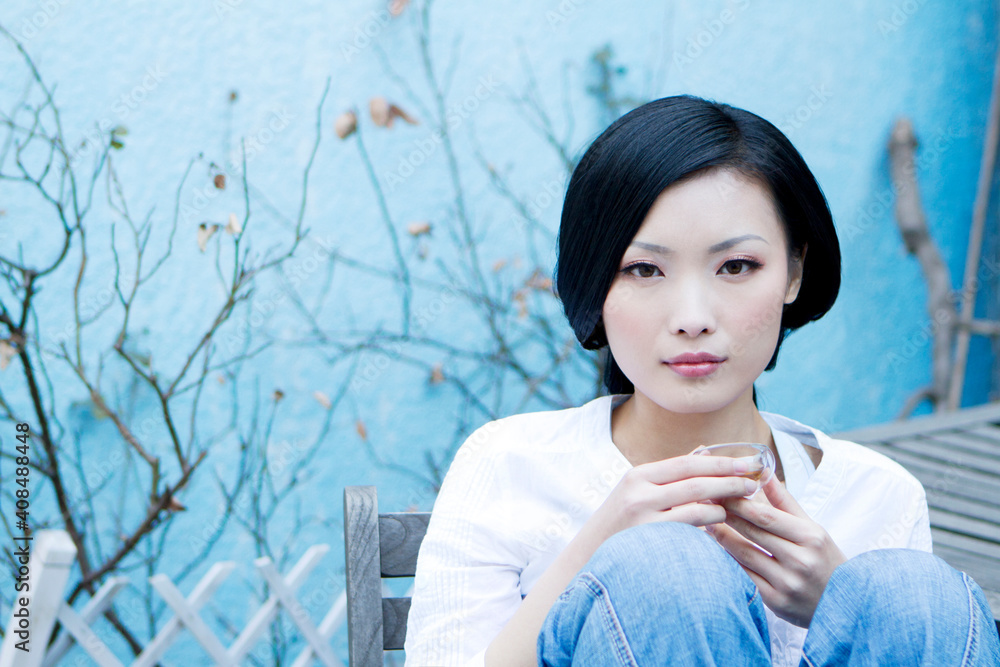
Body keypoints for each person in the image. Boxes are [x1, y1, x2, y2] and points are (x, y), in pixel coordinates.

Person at [403, 95, 1000, 666]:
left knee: (911, 597)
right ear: (596, 284)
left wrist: (842, 604)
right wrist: (598, 549)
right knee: (665, 572)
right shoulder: (510, 464)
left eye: (736, 266)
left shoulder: (878, 496)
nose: (692, 318)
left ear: (794, 273)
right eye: (644, 269)